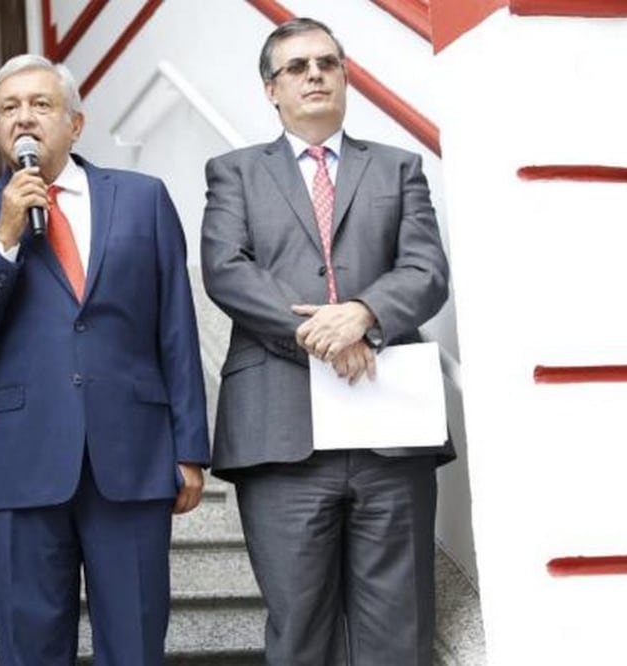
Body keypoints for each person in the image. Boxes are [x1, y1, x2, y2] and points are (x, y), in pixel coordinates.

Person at [0, 54, 210, 665]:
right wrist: (4, 239)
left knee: (135, 646)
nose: (24, 118)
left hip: (132, 456)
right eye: (9, 109)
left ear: (76, 123)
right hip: (22, 464)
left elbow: (175, 328)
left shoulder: (143, 199)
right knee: (30, 650)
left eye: (40, 104)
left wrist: (189, 447)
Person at [201, 18, 453, 666]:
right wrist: (320, 333)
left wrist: (364, 313)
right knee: (299, 631)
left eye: (327, 63)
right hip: (280, 437)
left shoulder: (399, 169)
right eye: (296, 67)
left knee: (400, 633)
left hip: (390, 433)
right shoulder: (233, 173)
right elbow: (227, 269)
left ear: (344, 77)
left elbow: (427, 270)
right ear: (270, 89)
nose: (315, 74)